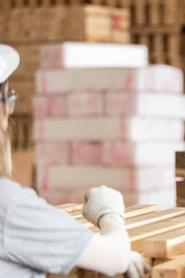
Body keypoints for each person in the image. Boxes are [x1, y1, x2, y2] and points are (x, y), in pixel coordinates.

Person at [0, 44, 150, 277]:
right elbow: (116, 258)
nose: (10, 110)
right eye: (8, 96)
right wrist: (109, 215)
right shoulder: (7, 204)